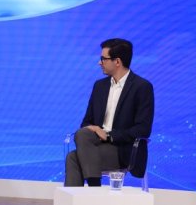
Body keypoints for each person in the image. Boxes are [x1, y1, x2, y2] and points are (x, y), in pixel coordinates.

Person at [65, 38, 154, 187]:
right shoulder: (99, 86)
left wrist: (109, 136)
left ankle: (94, 188)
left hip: (123, 150)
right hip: (95, 144)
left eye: (103, 59)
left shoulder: (142, 87)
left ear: (117, 61)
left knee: (73, 158)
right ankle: (94, 190)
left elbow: (143, 129)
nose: (99, 63)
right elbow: (86, 122)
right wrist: (95, 129)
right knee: (82, 134)